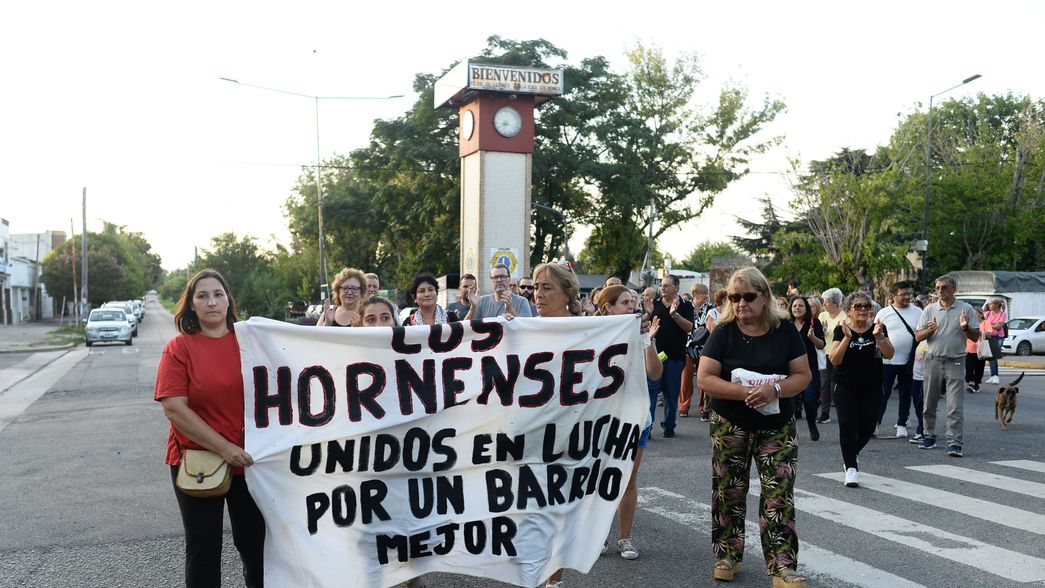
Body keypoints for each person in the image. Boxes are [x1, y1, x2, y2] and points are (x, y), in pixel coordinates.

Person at [697, 267, 810, 587]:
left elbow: (802, 376)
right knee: (728, 490)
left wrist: (773, 390)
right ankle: (728, 556)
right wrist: (746, 393)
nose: (741, 303)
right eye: (735, 297)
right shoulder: (724, 332)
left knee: (778, 495)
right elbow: (705, 378)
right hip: (731, 424)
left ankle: (782, 567)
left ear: (765, 297)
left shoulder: (785, 330)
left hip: (776, 425)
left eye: (748, 296)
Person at [155, 269, 265, 587]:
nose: (211, 302)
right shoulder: (179, 348)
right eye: (202, 296)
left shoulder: (252, 343)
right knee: (204, 549)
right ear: (191, 305)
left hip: (252, 461)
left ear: (229, 301)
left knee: (256, 546)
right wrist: (225, 448)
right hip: (198, 461)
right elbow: (174, 407)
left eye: (218, 294)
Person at [595, 284, 662, 562]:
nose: (631, 308)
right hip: (602, 420)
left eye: (632, 303)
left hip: (636, 419)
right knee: (599, 479)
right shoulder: (595, 334)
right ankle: (597, 537)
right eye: (624, 303)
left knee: (628, 480)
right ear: (609, 307)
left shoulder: (640, 334)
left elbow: (655, 373)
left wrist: (649, 340)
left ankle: (625, 538)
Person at [828, 291, 894, 487]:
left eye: (867, 306)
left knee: (867, 427)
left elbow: (889, 355)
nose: (863, 310)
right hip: (845, 385)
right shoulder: (842, 330)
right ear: (849, 310)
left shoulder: (878, 328)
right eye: (858, 306)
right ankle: (851, 468)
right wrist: (848, 338)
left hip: (872, 386)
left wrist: (880, 338)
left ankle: (852, 451)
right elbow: (834, 359)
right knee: (847, 424)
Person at [916, 275, 980, 457]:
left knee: (955, 405)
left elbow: (976, 337)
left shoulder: (965, 309)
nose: (940, 291)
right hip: (933, 360)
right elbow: (918, 336)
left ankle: (955, 443)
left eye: (944, 287)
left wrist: (966, 327)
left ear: (954, 289)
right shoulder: (929, 309)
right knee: (929, 402)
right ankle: (928, 436)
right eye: (937, 288)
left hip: (956, 360)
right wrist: (929, 330)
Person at [873, 281, 922, 438]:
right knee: (883, 394)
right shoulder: (884, 313)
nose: (907, 297)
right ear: (893, 296)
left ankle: (901, 423)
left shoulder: (918, 312)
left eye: (909, 294)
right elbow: (876, 335)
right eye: (903, 294)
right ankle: (876, 424)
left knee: (905, 394)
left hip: (909, 362)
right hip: (886, 361)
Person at [648, 274, 694, 438]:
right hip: (655, 357)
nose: (663, 287)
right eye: (662, 285)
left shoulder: (686, 306)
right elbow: (646, 328)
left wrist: (674, 314)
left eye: (666, 285)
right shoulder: (654, 304)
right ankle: (648, 427)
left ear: (676, 287)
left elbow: (689, 328)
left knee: (671, 393)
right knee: (652, 394)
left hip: (675, 357)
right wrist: (647, 314)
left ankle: (669, 425)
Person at [789, 296, 824, 440]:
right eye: (795, 305)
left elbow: (821, 345)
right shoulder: (786, 324)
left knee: (809, 400)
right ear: (790, 308)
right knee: (789, 402)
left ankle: (812, 425)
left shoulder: (813, 322)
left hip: (809, 368)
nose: (797, 308)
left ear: (806, 308)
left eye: (801, 306)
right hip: (789, 369)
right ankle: (791, 431)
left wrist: (812, 337)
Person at [679, 284, 714, 418]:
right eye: (703, 293)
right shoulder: (687, 306)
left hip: (705, 347)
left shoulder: (710, 308)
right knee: (686, 377)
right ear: (696, 295)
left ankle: (703, 407)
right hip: (688, 346)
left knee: (703, 378)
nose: (706, 296)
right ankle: (683, 407)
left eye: (706, 293)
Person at [817, 288, 847, 424]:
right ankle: (825, 413)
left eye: (826, 302)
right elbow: (819, 336)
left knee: (836, 384)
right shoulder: (822, 316)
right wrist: (821, 331)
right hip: (824, 354)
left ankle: (843, 411)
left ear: (835, 303)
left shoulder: (844, 317)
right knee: (824, 384)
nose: (823, 304)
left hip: (838, 355)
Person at [466, 264, 535, 319]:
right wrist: (473, 307)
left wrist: (510, 309)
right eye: (495, 277)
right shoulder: (482, 301)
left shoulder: (522, 301)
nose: (499, 280)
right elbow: (466, 328)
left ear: (509, 279)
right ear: (491, 281)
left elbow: (526, 328)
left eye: (503, 277)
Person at [982, 298, 1007, 384]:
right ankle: (993, 376)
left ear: (996, 305)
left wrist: (990, 324)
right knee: (991, 357)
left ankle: (995, 376)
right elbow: (983, 323)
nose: (989, 305)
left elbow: (999, 327)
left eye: (991, 304)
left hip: (998, 337)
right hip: (989, 337)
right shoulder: (987, 313)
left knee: (993, 356)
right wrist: (993, 325)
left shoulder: (1002, 314)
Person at [964, 307, 988, 393]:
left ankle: (976, 384)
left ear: (981, 314)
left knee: (979, 369)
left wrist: (979, 333)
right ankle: (970, 383)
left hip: (981, 350)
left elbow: (989, 335)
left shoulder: (985, 323)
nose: (974, 315)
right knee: (969, 367)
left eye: (976, 313)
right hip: (970, 349)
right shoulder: (969, 323)